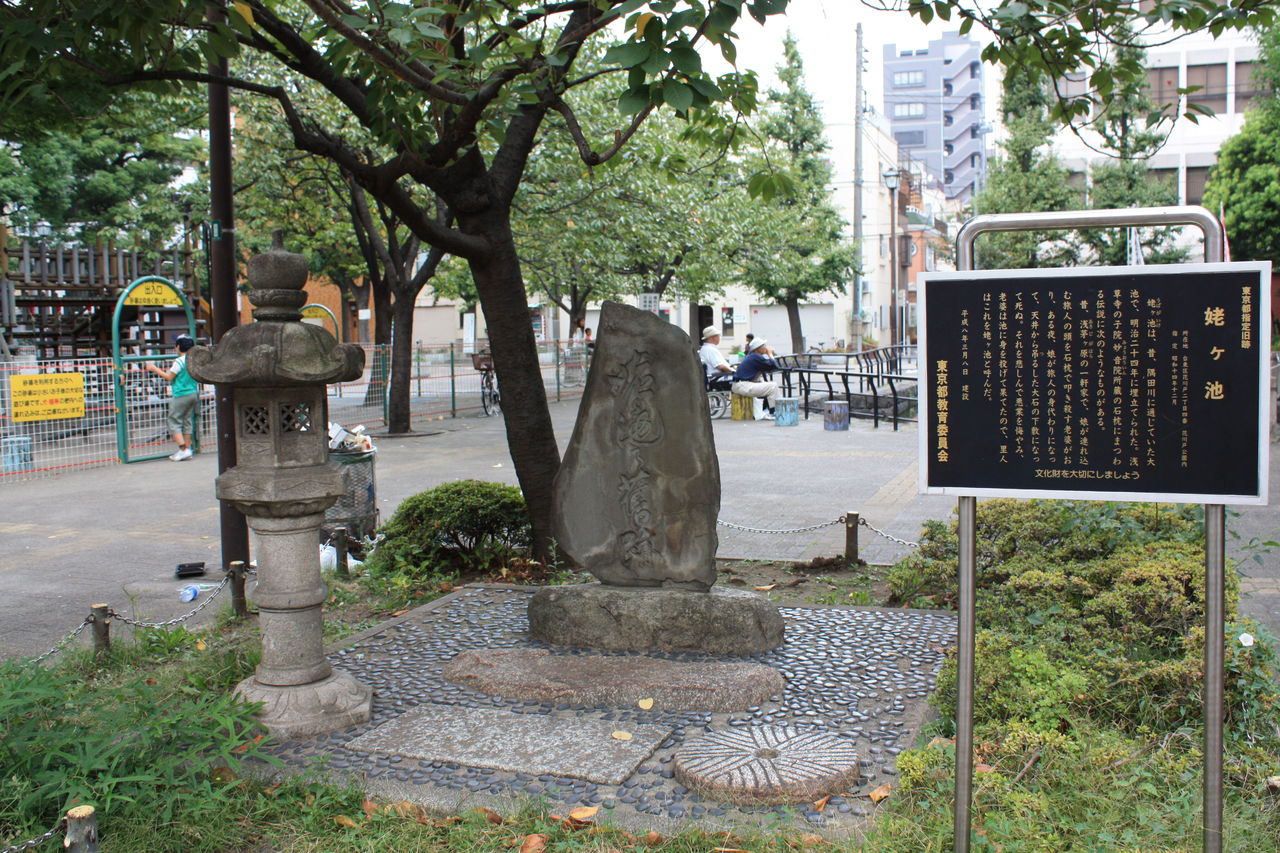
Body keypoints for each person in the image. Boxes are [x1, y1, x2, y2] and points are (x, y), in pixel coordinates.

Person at [144, 334, 199, 461]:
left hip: (181, 394)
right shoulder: (193, 360)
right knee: (187, 421)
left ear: (178, 346)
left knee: (173, 421)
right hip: (193, 393)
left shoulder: (179, 361)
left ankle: (183, 449)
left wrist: (154, 369)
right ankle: (187, 449)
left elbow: (169, 377)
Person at [731, 337, 781, 420]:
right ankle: (774, 412)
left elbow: (770, 366)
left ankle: (766, 410)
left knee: (765, 384)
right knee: (773, 386)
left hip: (740, 385)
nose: (765, 347)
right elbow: (775, 366)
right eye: (763, 345)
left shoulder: (753, 356)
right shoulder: (756, 357)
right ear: (758, 348)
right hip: (743, 385)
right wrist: (770, 354)